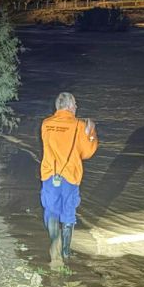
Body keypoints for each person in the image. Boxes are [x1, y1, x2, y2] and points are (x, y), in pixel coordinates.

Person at [39, 91, 99, 268]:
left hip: (50, 173)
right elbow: (87, 152)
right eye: (75, 104)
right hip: (70, 175)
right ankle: (65, 251)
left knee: (50, 209)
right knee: (68, 212)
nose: (77, 107)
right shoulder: (80, 125)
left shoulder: (46, 124)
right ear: (69, 106)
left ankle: (54, 240)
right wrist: (91, 133)